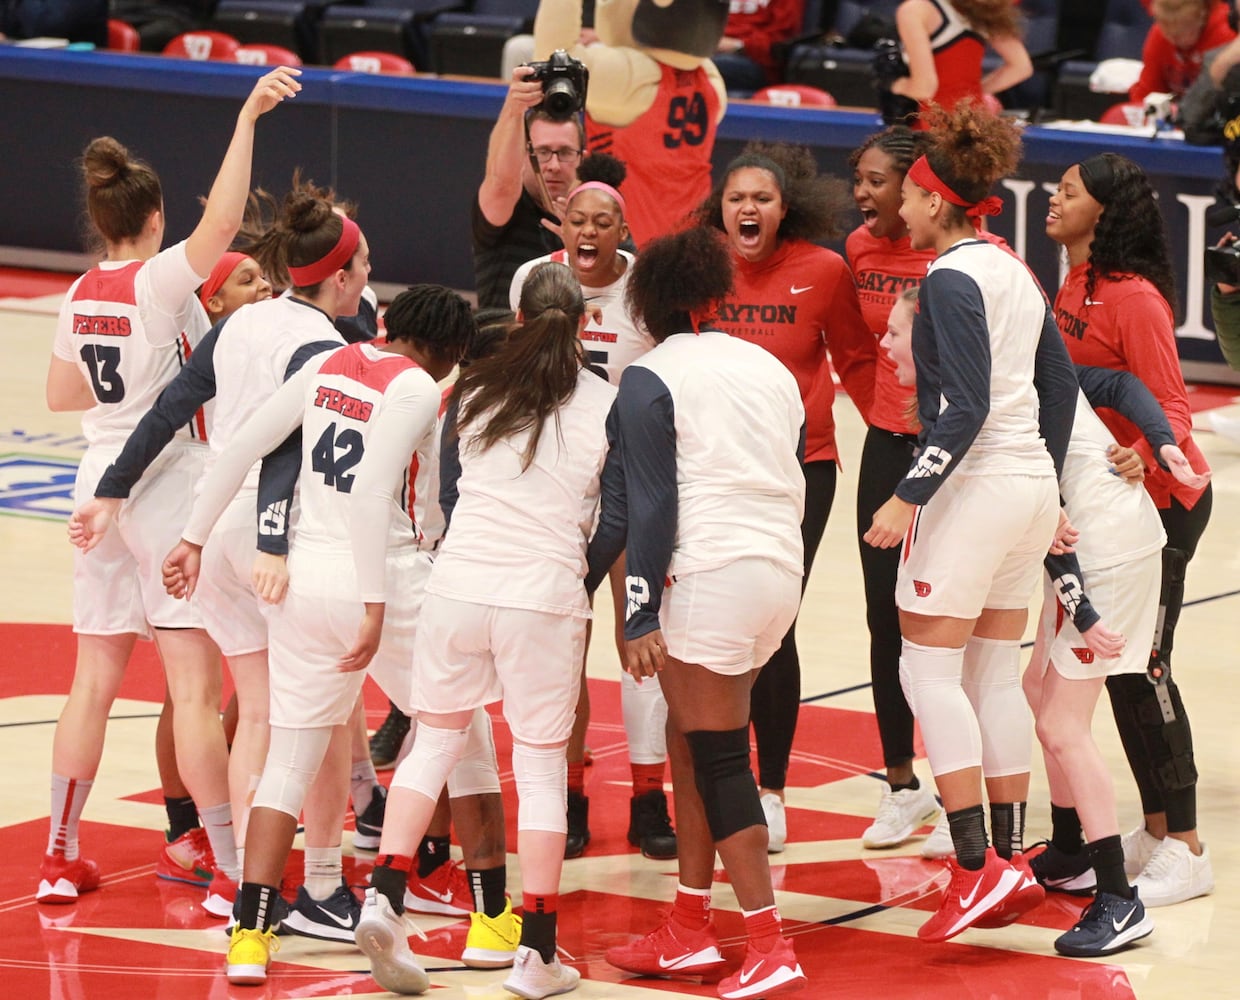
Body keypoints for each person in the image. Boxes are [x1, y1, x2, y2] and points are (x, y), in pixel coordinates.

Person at [40, 66, 299, 905]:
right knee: (192, 687)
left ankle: (59, 853)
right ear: (152, 221)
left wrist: (127, 386)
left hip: (93, 483)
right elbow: (223, 219)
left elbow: (60, 394)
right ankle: (225, 862)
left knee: (93, 680)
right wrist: (247, 116)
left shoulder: (81, 294)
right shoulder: (155, 280)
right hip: (159, 485)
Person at [356, 262, 614, 999]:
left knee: (430, 739)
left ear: (518, 318)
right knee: (536, 767)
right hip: (542, 592)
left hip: (458, 582)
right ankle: (535, 954)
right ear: (586, 324)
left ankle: (382, 895)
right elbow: (619, 514)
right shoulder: (609, 402)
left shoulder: (469, 387)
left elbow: (443, 490)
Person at [863, 102, 1078, 943]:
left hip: (978, 487)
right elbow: (1056, 388)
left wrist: (906, 494)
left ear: (934, 199)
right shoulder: (1014, 266)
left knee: (927, 671)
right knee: (990, 674)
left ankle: (970, 868)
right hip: (1027, 486)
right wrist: (1052, 489)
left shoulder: (950, 275)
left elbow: (966, 409)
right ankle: (1012, 861)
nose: (900, 211)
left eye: (909, 197)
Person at [591, 225, 808, 999]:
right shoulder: (770, 367)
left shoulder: (649, 376)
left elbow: (649, 505)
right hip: (779, 569)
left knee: (718, 760)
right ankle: (688, 925)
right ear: (716, 294)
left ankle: (769, 942)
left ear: (646, 305)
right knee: (692, 738)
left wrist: (636, 610)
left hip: (709, 571)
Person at [695, 142, 876, 852]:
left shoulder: (824, 271)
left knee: (775, 626)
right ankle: (716, 777)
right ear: (721, 206)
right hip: (712, 468)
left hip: (803, 467)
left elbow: (859, 360)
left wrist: (905, 433)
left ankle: (769, 791)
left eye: (762, 199)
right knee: (709, 620)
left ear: (785, 208)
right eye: (737, 197)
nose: (748, 209)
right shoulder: (698, 261)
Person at [1045, 152, 1215, 908]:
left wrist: (1139, 453)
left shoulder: (1135, 299)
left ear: (1103, 214)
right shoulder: (1073, 281)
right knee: (1112, 672)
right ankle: (1150, 830)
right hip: (1106, 507)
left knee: (1145, 670)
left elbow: (1174, 407)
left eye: (1069, 191)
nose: (1054, 196)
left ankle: (1186, 845)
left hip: (1164, 503)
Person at [509, 154, 674, 862]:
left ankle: (648, 798)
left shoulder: (645, 289)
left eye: (602, 222)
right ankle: (570, 796)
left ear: (622, 231)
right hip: (559, 485)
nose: (588, 231)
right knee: (562, 645)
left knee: (640, 637)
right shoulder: (533, 281)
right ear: (562, 226)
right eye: (577, 220)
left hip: (632, 477)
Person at [845, 126, 942, 853]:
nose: (864, 191)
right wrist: (879, 409)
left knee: (948, 623)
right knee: (885, 616)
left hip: (949, 451)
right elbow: (857, 346)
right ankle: (903, 784)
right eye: (861, 178)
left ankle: (966, 782)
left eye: (878, 180)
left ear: (913, 189)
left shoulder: (954, 257)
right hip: (885, 444)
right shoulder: (857, 249)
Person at [534, 0, 728, 247]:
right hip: (693, 242)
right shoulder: (709, 78)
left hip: (631, 247)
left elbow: (554, 63)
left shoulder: (635, 77)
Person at [472, 66, 583, 309]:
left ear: (582, 158)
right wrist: (514, 109)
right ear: (523, 156)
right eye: (542, 152)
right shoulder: (508, 208)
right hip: (505, 343)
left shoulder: (598, 219)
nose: (553, 165)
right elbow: (501, 182)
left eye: (564, 152)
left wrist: (584, 245)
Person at [887, 0, 1032, 126]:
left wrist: (892, 84)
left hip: (935, 128)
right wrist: (973, 93)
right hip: (977, 125)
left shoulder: (916, 10)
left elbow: (923, 88)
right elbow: (1021, 67)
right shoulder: (981, 10)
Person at [1130, 0, 1235, 104]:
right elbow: (1148, 91)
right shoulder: (1159, 35)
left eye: (1179, 34)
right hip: (1178, 112)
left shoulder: (1227, 37)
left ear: (1202, 19)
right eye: (1165, 30)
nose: (1172, 39)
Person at [714, 0, 806, 93]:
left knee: (709, 65)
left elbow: (781, 39)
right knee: (704, 61)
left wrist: (738, 45)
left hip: (758, 61)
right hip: (711, 48)